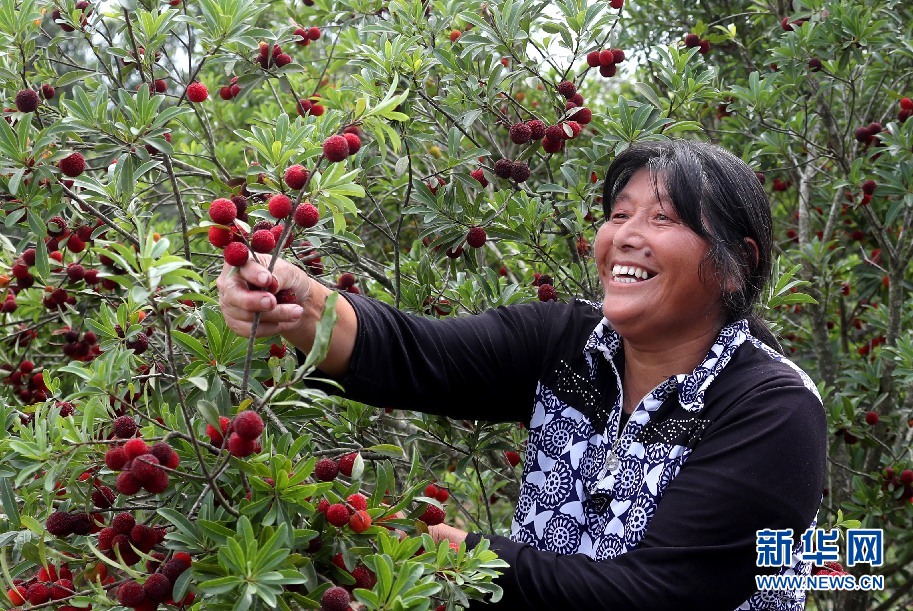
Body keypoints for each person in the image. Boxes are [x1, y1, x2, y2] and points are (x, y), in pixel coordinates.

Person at [217, 139, 827, 610]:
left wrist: (456, 555)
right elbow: (412, 354)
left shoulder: (771, 409)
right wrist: (297, 302)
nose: (625, 237)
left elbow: (654, 595)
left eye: (663, 220)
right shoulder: (567, 345)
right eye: (618, 213)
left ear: (735, 267)